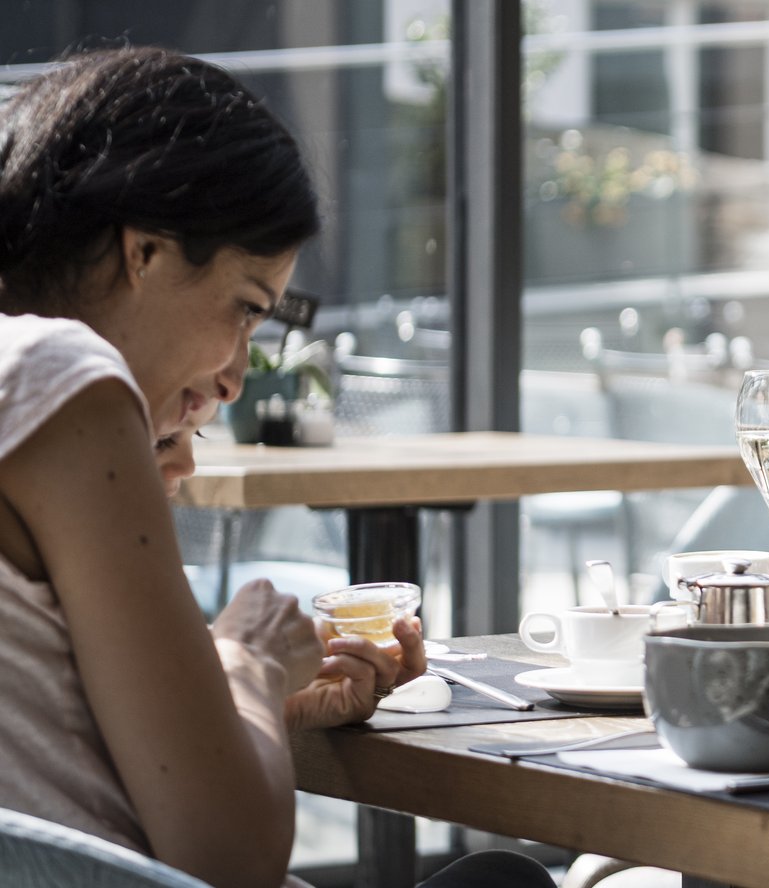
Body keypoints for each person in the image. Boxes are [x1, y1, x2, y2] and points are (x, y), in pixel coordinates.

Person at [0, 47, 544, 888]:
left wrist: (243, 715)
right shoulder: (58, 376)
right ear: (143, 251)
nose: (233, 376)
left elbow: (44, 746)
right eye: (246, 308)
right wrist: (245, 659)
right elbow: (231, 861)